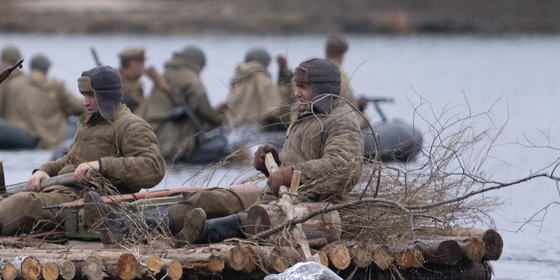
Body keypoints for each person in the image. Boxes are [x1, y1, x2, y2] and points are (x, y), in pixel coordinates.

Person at [90, 58, 362, 244]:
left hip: (312, 206)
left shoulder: (342, 120)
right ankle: (128, 226)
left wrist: (292, 173)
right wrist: (274, 162)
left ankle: (200, 234)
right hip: (276, 195)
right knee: (209, 200)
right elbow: (301, 157)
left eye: (303, 88)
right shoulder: (303, 114)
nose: (297, 93)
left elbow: (343, 167)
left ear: (322, 89)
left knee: (252, 219)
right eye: (297, 87)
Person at [0, 66, 164, 243]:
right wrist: (43, 171)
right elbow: (69, 160)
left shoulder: (132, 125)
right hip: (62, 192)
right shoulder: (89, 124)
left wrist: (101, 165)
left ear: (107, 95)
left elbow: (153, 166)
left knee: (22, 204)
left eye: (90, 95)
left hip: (93, 201)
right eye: (83, 95)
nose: (84, 102)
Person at [142, 44, 225, 162]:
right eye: (202, 67)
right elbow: (205, 110)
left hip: (153, 134)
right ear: (197, 64)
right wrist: (222, 121)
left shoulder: (167, 75)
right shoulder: (191, 78)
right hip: (171, 137)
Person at [0, 54, 86, 149]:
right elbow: (76, 106)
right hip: (48, 139)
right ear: (47, 68)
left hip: (16, 135)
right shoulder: (55, 86)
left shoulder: (13, 85)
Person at [225, 47, 285, 130]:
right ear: (265, 62)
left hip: (238, 128)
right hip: (259, 129)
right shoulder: (263, 80)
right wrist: (284, 72)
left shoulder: (239, 78)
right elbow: (276, 107)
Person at [325, 33, 365, 111]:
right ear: (342, 55)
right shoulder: (339, 74)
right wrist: (359, 106)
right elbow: (349, 102)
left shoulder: (315, 69)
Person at [118, 47, 147, 115]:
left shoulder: (135, 83)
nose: (143, 67)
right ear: (132, 64)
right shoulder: (116, 83)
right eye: (141, 63)